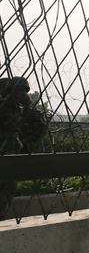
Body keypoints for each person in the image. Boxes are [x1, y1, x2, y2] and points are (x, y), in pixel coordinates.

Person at [0, 77, 47, 219]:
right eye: (18, 92)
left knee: (7, 188)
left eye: (23, 92)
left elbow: (37, 129)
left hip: (11, 156)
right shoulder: (6, 107)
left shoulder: (22, 110)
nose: (22, 95)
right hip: (7, 154)